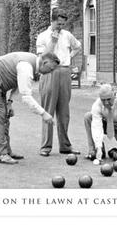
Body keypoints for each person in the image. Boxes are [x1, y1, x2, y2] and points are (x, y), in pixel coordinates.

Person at [0, 51, 59, 164]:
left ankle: (6, 151)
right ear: (45, 62)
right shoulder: (26, 67)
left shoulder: (32, 65)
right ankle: (1, 154)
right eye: (51, 68)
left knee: (5, 115)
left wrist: (10, 102)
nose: (51, 72)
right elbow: (26, 97)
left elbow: (17, 84)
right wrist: (43, 114)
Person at [36, 9, 82, 157]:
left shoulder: (67, 35)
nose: (61, 26)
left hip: (64, 71)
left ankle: (65, 146)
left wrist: (70, 55)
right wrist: (53, 41)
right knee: (47, 110)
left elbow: (78, 46)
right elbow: (44, 57)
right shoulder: (43, 36)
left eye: (63, 24)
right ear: (53, 20)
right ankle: (45, 146)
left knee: (64, 112)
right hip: (49, 72)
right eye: (59, 23)